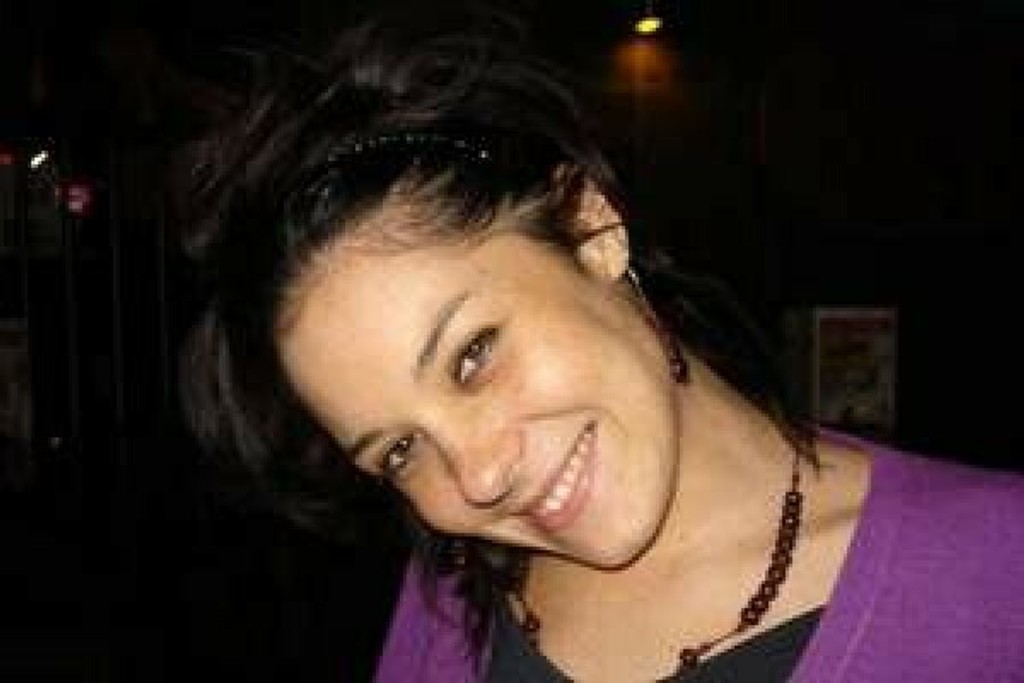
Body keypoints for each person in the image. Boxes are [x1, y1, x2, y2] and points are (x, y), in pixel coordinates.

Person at [175, 8, 1024, 682]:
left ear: (592, 228)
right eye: (399, 449)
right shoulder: (454, 604)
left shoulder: (995, 571)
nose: (477, 478)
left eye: (472, 354)